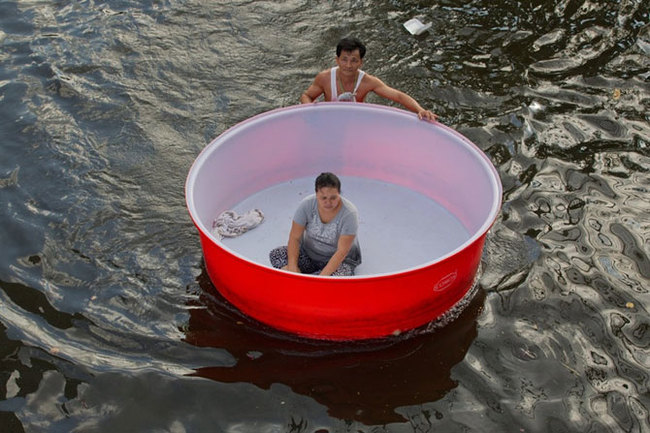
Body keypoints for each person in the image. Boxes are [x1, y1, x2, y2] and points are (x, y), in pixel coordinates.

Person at [300, 36, 438, 121]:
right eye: (344, 60)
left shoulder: (367, 81)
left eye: (354, 60)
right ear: (337, 60)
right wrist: (312, 113)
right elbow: (306, 95)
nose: (348, 65)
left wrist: (420, 110)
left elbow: (398, 96)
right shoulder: (324, 78)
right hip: (330, 119)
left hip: (355, 121)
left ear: (361, 62)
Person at [269, 172, 361, 276]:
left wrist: (321, 278)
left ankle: (311, 281)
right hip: (309, 256)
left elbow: (342, 251)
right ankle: (307, 280)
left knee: (339, 276)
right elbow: (295, 237)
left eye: (333, 198)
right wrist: (293, 269)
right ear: (316, 194)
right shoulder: (306, 205)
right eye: (323, 198)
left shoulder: (349, 214)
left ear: (339, 193)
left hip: (338, 262)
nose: (328, 202)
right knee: (276, 254)